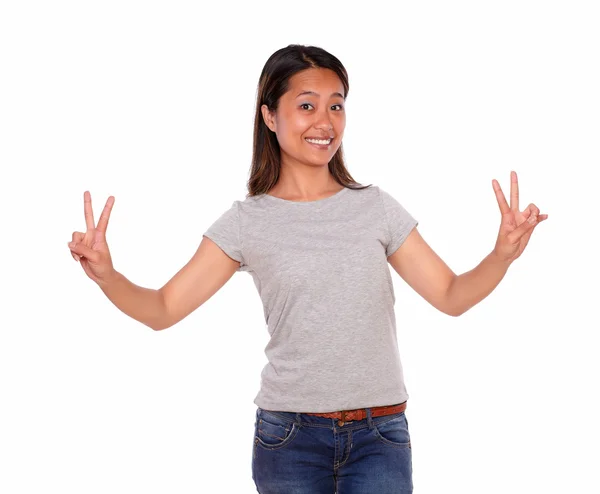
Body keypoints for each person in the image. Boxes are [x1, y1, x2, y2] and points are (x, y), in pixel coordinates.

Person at [67, 44, 547, 493]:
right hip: (289, 438)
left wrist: (502, 254)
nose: (325, 121)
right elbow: (163, 308)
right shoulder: (246, 222)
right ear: (270, 116)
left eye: (336, 105)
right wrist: (108, 274)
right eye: (307, 105)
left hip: (380, 434)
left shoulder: (376, 208)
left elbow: (451, 296)